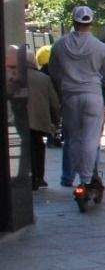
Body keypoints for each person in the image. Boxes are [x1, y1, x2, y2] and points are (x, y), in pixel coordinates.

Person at [48, 6, 105, 193]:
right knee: (90, 138)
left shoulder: (60, 45)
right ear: (91, 22)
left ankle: (68, 176)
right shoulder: (101, 47)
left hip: (69, 95)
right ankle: (86, 178)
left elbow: (53, 72)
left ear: (73, 21)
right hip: (93, 95)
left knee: (72, 138)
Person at [25, 48, 60, 191]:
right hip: (38, 121)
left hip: (19, 121)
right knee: (38, 147)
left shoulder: (13, 77)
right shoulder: (43, 78)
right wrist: (55, 121)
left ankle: (25, 176)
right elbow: (54, 103)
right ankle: (38, 177)